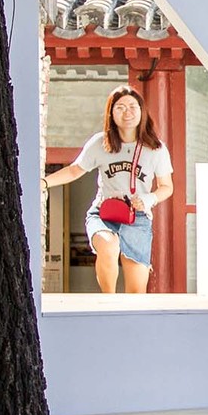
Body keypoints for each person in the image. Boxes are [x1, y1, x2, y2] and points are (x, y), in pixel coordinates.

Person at [41, 84, 174, 294]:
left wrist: (149, 199)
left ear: (142, 111)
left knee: (136, 291)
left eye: (132, 106)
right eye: (120, 107)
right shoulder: (100, 143)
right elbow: (75, 170)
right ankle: (108, 301)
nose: (127, 112)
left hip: (137, 216)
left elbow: (167, 187)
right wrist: (44, 183)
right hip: (105, 212)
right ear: (111, 113)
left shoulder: (156, 149)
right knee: (108, 245)